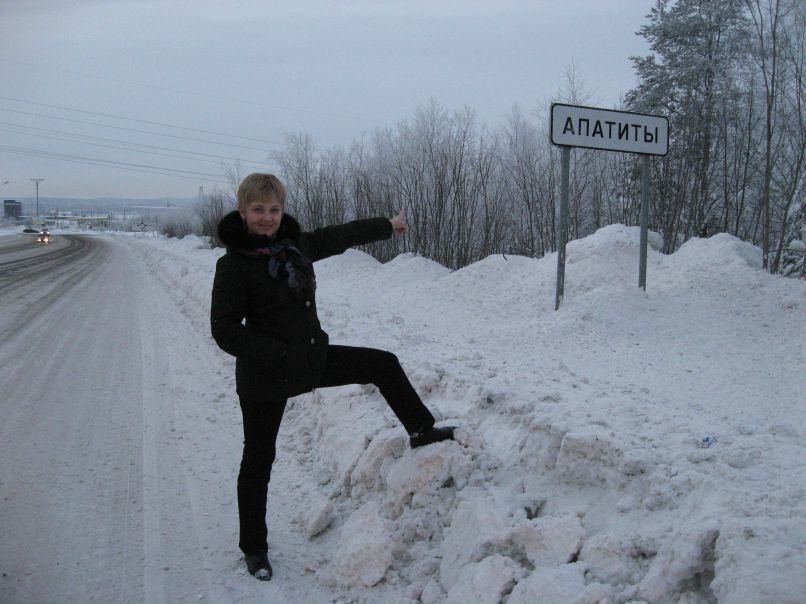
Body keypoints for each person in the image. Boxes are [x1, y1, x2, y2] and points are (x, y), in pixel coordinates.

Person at [210, 173, 454, 581]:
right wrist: (280, 354)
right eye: (258, 210)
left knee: (383, 363)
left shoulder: (295, 248)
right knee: (258, 460)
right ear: (242, 212)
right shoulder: (233, 265)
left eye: (273, 209)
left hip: (308, 360)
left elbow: (340, 235)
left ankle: (421, 430)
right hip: (265, 375)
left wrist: (387, 226)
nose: (267, 217)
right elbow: (226, 330)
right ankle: (254, 548)